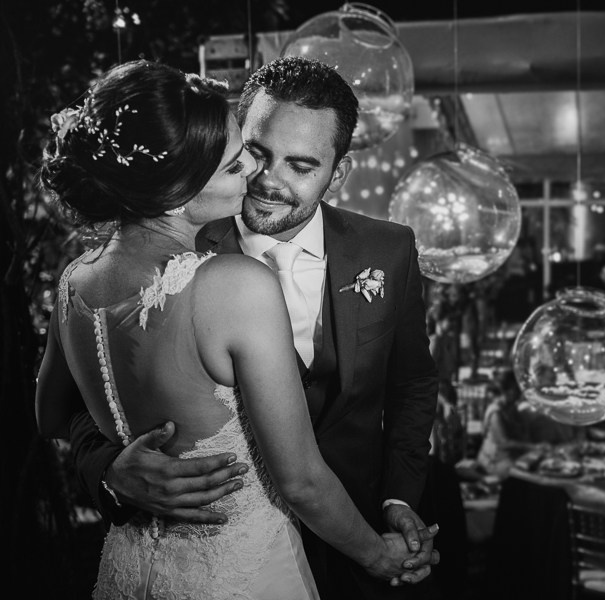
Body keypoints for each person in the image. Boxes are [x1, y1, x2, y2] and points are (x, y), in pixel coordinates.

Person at [36, 60, 433, 599]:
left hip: (353, 525)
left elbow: (411, 383)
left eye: (300, 165)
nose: (262, 177)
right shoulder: (220, 269)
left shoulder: (388, 248)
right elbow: (69, 413)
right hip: (246, 562)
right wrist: (111, 471)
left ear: (336, 173)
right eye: (250, 154)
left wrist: (399, 500)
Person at [476, 369, 533, 477]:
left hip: (508, 457)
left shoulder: (511, 408)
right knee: (523, 474)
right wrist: (532, 447)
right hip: (493, 462)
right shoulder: (495, 411)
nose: (520, 393)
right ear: (508, 390)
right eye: (517, 389)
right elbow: (503, 443)